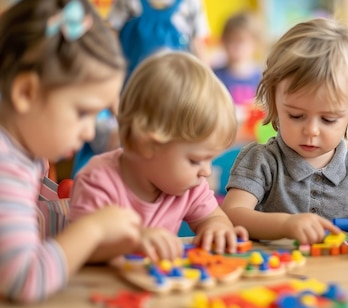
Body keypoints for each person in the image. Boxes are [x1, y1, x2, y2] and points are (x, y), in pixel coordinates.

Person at [0, 0, 142, 303]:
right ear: (26, 93)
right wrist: (92, 230)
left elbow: (29, 217)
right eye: (83, 112)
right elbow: (24, 278)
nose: (90, 132)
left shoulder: (23, 153)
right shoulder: (5, 164)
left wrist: (79, 212)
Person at [221, 18, 348, 245]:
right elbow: (232, 214)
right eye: (296, 116)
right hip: (275, 273)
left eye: (328, 119)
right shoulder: (261, 161)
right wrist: (286, 225)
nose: (311, 131)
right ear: (274, 102)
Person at [70, 51, 247, 263]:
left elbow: (214, 218)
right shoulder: (98, 181)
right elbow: (79, 250)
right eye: (195, 160)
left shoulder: (190, 186)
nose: (207, 171)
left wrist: (217, 229)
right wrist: (134, 242)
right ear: (148, 145)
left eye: (210, 159)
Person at [108, 0, 211, 78]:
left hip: (174, 84)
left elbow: (198, 46)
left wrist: (207, 78)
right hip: (132, 80)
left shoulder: (192, 2)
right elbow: (113, 33)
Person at [213, 11, 264, 144]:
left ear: (255, 44)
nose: (235, 47)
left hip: (253, 140)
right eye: (231, 41)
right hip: (225, 139)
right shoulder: (214, 76)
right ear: (223, 41)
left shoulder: (262, 78)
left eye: (241, 41)